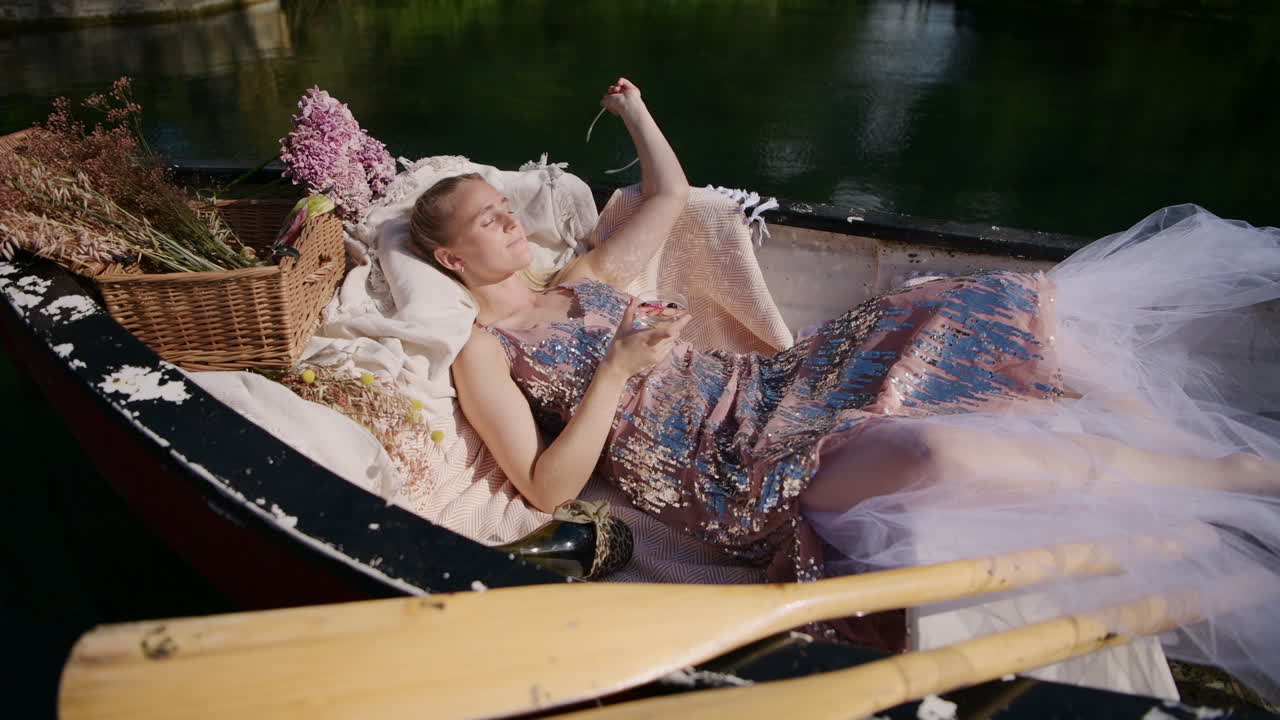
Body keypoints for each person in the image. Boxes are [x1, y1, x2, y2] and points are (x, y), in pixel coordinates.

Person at [409, 78, 1280, 701]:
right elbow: (545, 485)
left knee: (973, 299)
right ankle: (1222, 485)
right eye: (488, 219)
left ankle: (1225, 466)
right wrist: (616, 372)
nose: (510, 220)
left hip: (772, 384)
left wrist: (633, 111)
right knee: (931, 450)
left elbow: (671, 194)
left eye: (504, 205)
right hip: (721, 467)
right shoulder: (483, 351)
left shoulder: (586, 274)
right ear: (451, 260)